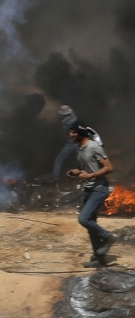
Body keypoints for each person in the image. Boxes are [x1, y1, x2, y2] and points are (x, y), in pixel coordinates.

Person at [66, 122, 115, 268]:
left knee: (84, 219)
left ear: (81, 133)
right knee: (90, 225)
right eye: (70, 132)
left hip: (99, 189)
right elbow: (84, 168)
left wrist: (91, 176)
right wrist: (75, 172)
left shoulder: (94, 146)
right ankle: (100, 261)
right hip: (88, 189)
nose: (71, 134)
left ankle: (108, 238)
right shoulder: (80, 148)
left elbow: (109, 168)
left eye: (73, 132)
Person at [52, 106, 102, 182]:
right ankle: (85, 177)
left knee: (59, 160)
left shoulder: (64, 122)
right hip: (79, 143)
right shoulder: (75, 117)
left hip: (70, 144)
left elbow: (65, 134)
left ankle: (55, 180)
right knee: (83, 161)